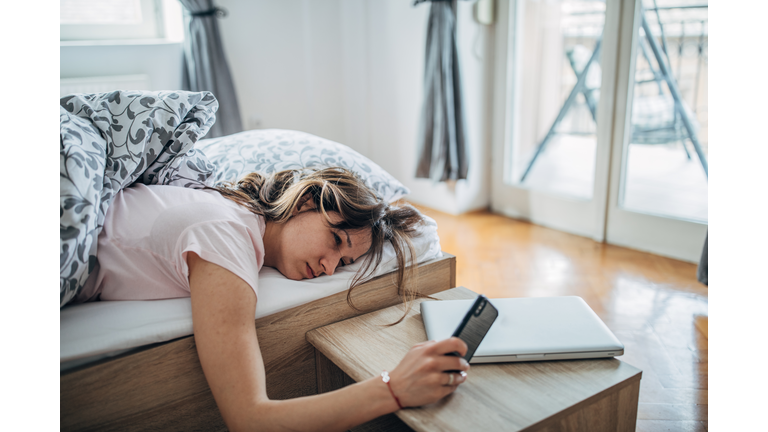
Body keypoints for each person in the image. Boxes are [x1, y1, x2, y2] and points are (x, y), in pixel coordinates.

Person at [78, 166, 470, 431]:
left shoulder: (233, 216)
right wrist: (394, 388)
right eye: (335, 240)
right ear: (303, 203)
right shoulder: (224, 234)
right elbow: (251, 419)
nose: (331, 267)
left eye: (345, 261)